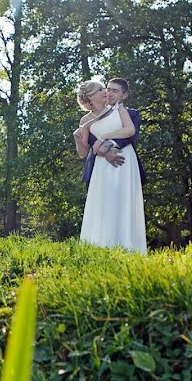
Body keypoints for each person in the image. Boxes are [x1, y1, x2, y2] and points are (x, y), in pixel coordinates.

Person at [73, 80, 146, 254]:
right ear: (89, 97)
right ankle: (100, 246)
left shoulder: (118, 109)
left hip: (125, 161)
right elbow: (83, 152)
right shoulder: (85, 120)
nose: (105, 92)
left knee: (124, 200)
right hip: (101, 167)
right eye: (100, 90)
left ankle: (128, 247)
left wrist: (104, 138)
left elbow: (130, 132)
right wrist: (77, 139)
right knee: (104, 203)